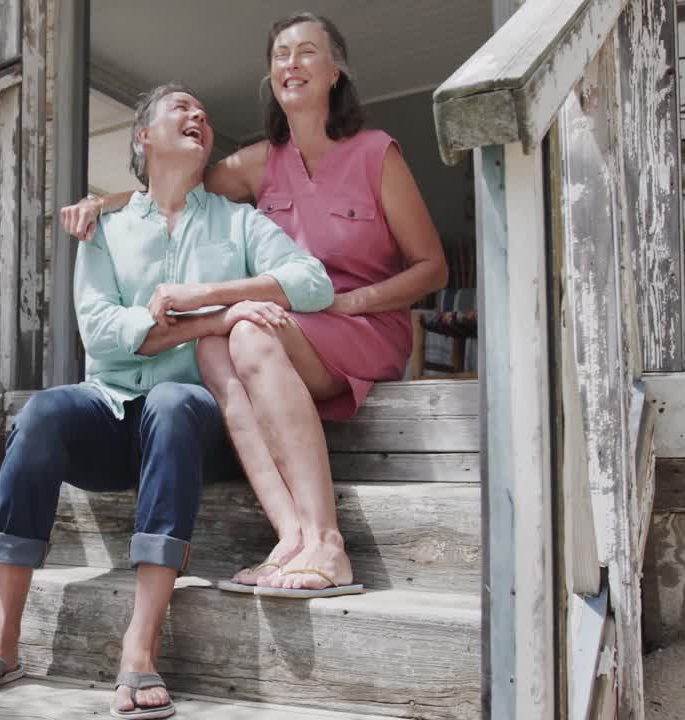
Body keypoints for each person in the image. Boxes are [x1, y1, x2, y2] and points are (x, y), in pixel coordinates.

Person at [0, 83, 334, 719]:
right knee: (40, 413)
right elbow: (101, 333)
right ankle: (2, 636)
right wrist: (214, 319)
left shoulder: (238, 223)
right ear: (143, 138)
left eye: (204, 111)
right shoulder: (105, 228)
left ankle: (140, 644)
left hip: (196, 426)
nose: (198, 114)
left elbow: (312, 283)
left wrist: (206, 293)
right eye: (180, 107)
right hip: (113, 413)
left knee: (175, 399)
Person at [61, 12, 448, 598]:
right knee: (216, 342)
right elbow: (171, 186)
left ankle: (327, 541)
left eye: (307, 52)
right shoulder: (257, 163)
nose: (291, 63)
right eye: (281, 54)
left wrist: (349, 303)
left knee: (243, 333)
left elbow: (432, 268)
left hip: (365, 326)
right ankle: (290, 536)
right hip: (296, 323)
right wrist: (103, 202)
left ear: (336, 71)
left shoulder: (375, 153)